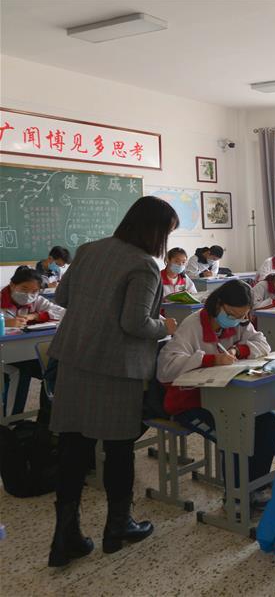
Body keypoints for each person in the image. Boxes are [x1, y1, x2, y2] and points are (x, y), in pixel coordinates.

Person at [48, 196, 179, 567]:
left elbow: (62, 297)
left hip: (74, 360)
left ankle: (65, 536)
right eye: (167, 232)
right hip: (116, 368)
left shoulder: (89, 250)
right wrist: (165, 327)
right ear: (155, 230)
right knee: (119, 448)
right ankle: (118, 526)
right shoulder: (144, 265)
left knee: (73, 447)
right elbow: (135, 323)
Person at [157, 281, 275, 508]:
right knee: (234, 433)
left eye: (242, 316)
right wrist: (210, 359)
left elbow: (262, 344)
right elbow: (166, 367)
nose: (236, 320)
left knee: (270, 424)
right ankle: (235, 498)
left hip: (225, 399)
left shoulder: (240, 322)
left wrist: (238, 349)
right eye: (231, 314)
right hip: (190, 403)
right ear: (218, 304)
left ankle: (254, 487)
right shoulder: (193, 325)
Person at [1, 266, 65, 416]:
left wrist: (36, 316)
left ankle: (45, 418)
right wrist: (5, 323)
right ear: (12, 285)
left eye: (34, 291)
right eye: (24, 289)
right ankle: (12, 419)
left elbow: (62, 313)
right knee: (20, 371)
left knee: (51, 369)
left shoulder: (37, 300)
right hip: (4, 355)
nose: (29, 295)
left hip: (24, 352)